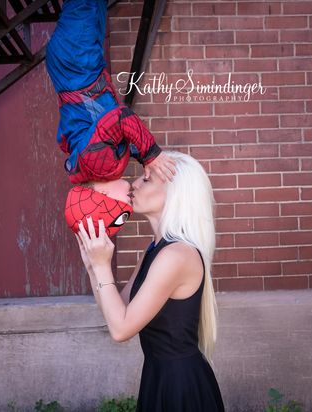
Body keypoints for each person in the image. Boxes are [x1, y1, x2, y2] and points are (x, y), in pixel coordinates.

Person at [76, 151, 226, 411]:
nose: (133, 184)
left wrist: (102, 266)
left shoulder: (177, 256)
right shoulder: (155, 249)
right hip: (159, 378)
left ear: (174, 195)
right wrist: (92, 266)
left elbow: (121, 330)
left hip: (181, 389)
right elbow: (117, 310)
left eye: (146, 180)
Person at [45, 0, 175, 185]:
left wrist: (151, 154)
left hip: (77, 64)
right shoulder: (99, 167)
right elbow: (110, 136)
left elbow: (120, 118)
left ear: (104, 194)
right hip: (80, 68)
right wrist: (141, 155)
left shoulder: (103, 167)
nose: (129, 194)